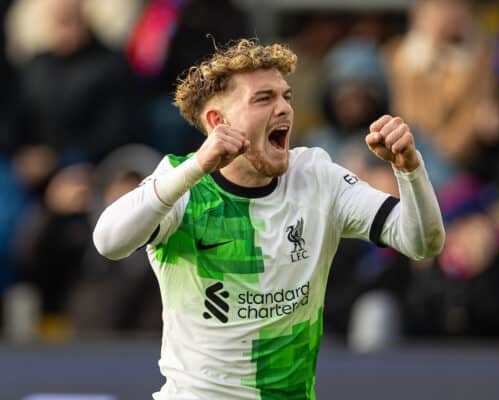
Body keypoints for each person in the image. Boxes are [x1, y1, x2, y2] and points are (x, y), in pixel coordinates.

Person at [93, 39, 444, 400]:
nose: (284, 110)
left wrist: (410, 170)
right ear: (218, 122)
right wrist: (198, 165)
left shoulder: (317, 177)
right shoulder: (180, 184)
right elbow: (108, 241)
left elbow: (422, 242)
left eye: (286, 97)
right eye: (264, 99)